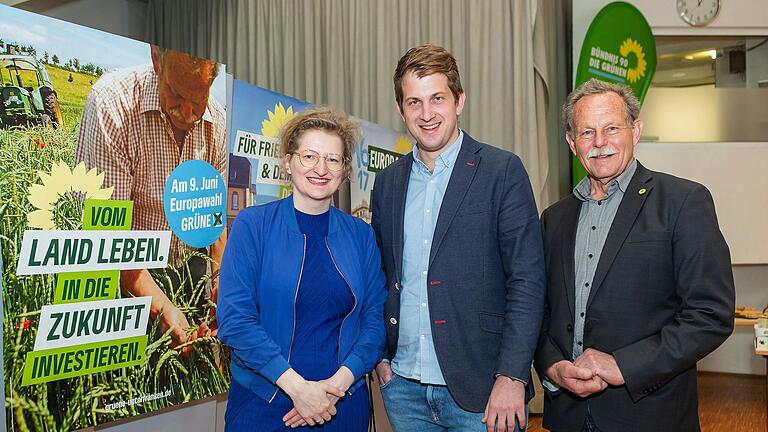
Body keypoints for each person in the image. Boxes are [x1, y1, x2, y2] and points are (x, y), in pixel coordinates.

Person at [534, 78, 735, 432]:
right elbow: (538, 313)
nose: (600, 143)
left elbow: (710, 314)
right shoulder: (554, 219)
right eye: (587, 132)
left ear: (636, 130)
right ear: (571, 142)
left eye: (612, 128)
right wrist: (552, 367)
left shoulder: (683, 202)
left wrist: (623, 365)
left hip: (649, 416)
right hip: (568, 418)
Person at [371, 44, 545, 432]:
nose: (427, 114)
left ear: (459, 100)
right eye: (414, 102)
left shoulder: (502, 171)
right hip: (403, 388)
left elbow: (528, 282)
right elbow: (380, 276)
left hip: (484, 391)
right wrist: (382, 363)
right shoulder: (388, 183)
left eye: (437, 98)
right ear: (401, 109)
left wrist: (512, 376)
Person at [218, 107, 387, 431]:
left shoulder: (360, 235)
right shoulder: (253, 226)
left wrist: (334, 388)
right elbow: (235, 321)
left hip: (342, 404)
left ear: (344, 169)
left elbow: (374, 322)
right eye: (309, 156)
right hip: (265, 405)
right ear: (288, 161)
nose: (321, 168)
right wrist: (299, 390)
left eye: (333, 159)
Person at [75, 46, 227, 353]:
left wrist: (220, 286)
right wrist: (162, 308)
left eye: (198, 100)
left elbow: (215, 219)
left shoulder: (217, 122)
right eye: (175, 93)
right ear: (157, 58)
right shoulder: (113, 106)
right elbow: (109, 241)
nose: (187, 114)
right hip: (127, 270)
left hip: (189, 261)